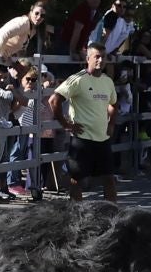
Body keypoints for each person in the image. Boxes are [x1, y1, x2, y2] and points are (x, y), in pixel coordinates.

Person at [49, 42, 118, 202]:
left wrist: (112, 124)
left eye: (103, 57)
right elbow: (54, 100)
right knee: (76, 179)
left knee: (109, 178)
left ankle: (113, 215)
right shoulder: (78, 79)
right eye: (97, 57)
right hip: (82, 139)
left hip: (102, 139)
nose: (100, 61)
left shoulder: (107, 81)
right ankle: (76, 215)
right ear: (88, 59)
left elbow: (114, 104)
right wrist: (66, 124)